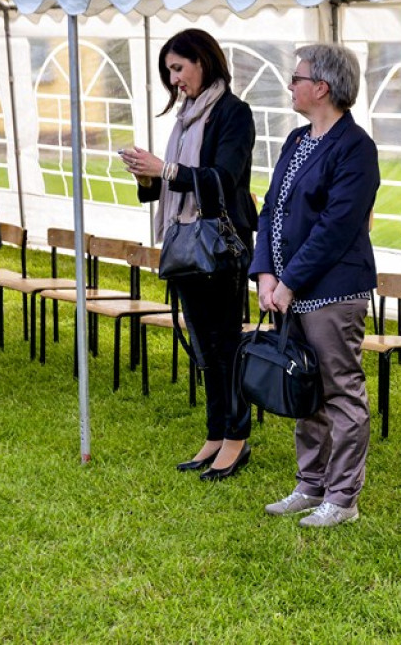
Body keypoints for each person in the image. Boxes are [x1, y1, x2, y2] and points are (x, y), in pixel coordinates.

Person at [122, 29, 257, 481]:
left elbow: (223, 179)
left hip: (220, 246)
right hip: (185, 245)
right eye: (169, 72)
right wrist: (148, 177)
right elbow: (171, 185)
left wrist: (167, 171)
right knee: (204, 347)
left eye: (179, 68)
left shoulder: (233, 113)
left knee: (225, 345)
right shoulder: (185, 117)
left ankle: (235, 440)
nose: (175, 80)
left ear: (203, 60)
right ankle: (215, 434)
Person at [253, 44, 379, 528]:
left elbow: (338, 226)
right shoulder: (296, 139)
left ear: (321, 87)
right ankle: (311, 484)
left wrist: (289, 281)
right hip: (288, 288)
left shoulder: (355, 147)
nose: (290, 84)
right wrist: (266, 271)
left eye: (296, 77)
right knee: (303, 386)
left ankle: (342, 497)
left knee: (339, 391)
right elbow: (270, 208)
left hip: (331, 290)